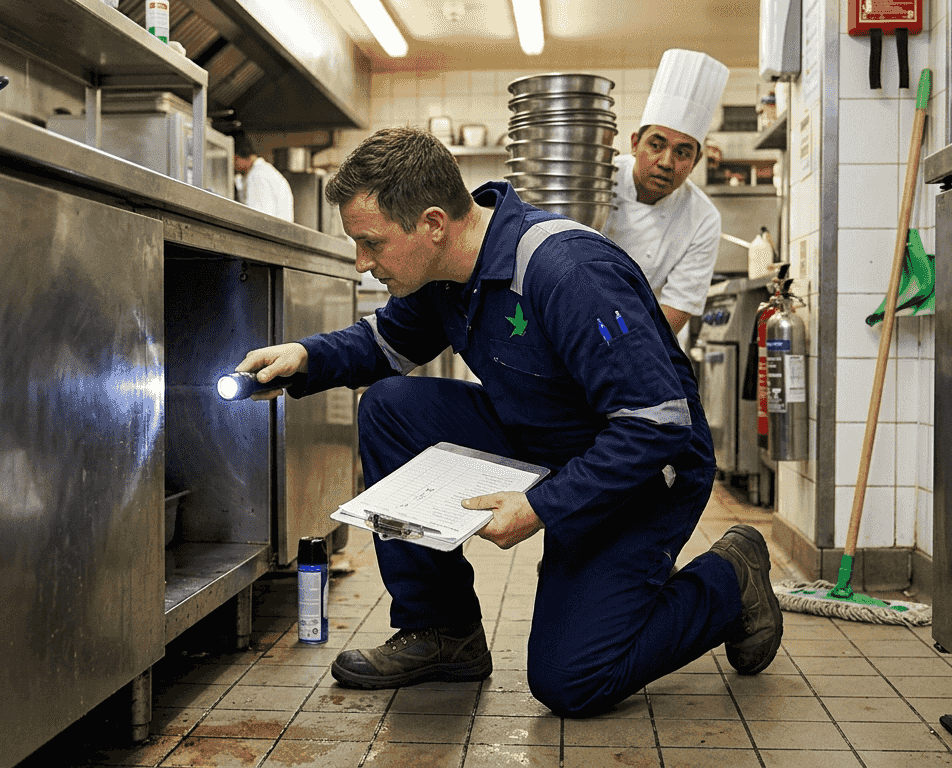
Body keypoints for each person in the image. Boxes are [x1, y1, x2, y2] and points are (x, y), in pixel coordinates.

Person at [234, 126, 783, 718]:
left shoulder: (566, 271)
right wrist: (308, 358)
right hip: (543, 435)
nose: (363, 265)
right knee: (392, 406)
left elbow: (657, 423)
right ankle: (442, 633)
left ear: (433, 223)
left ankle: (731, 577)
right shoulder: (444, 272)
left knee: (571, 679)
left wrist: (544, 507)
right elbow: (384, 343)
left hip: (642, 470)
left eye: (371, 244)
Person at [601, 49, 730, 344]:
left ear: (696, 162)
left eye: (682, 152)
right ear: (634, 143)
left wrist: (613, 347)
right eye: (656, 145)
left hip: (643, 338)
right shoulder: (599, 178)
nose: (666, 162)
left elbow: (676, 309)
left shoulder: (703, 218)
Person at [229, 129, 294, 222]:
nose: (231, 165)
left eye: (232, 160)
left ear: (237, 156)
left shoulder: (257, 176)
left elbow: (257, 220)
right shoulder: (264, 171)